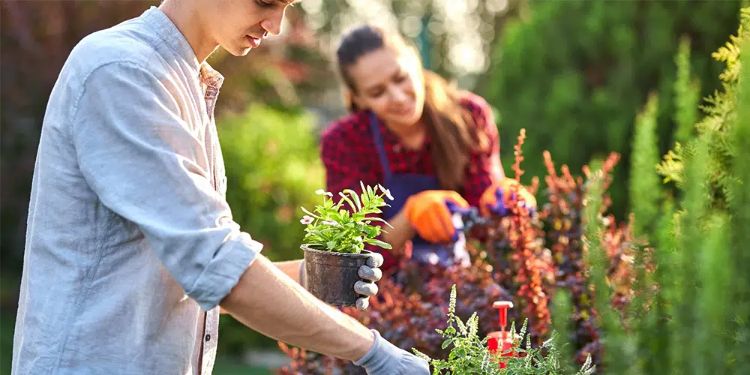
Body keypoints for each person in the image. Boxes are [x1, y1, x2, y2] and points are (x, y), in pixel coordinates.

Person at [12, 2, 428, 374]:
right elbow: (215, 262)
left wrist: (306, 277)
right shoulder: (123, 72)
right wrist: (372, 351)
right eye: (266, 2)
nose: (277, 26)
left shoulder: (186, 82)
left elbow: (182, 274)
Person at [322, 25, 536, 270]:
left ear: (414, 61)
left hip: (462, 278)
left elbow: (484, 226)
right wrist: (410, 217)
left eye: (400, 78)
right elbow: (352, 254)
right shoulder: (345, 142)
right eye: (377, 92)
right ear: (358, 98)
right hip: (385, 293)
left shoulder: (469, 116)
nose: (399, 97)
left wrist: (500, 204)